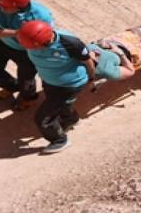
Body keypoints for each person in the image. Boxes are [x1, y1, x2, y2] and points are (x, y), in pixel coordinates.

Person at [17, 20, 94, 154]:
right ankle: (71, 119)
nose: (32, 50)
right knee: (60, 104)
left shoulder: (70, 43)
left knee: (42, 118)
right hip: (49, 81)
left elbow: (88, 62)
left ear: (47, 42)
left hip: (69, 86)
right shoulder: (29, 38)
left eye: (35, 48)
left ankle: (60, 140)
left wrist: (92, 78)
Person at [0, 0, 54, 111]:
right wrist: (18, 33)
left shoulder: (41, 16)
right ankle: (12, 87)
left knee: (26, 79)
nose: (0, 8)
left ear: (19, 7)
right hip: (2, 43)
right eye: (0, 4)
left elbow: (45, 40)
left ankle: (27, 98)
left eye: (5, 7)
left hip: (27, 51)